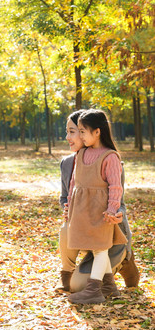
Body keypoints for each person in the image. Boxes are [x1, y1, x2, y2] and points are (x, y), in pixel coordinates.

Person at [56, 109, 139, 304]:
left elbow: (116, 192)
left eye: (78, 131)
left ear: (96, 132)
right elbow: (71, 189)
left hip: (103, 217)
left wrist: (112, 212)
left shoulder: (110, 158)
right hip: (83, 216)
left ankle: (100, 284)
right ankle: (108, 286)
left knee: (99, 253)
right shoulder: (75, 158)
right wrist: (70, 208)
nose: (71, 137)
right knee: (85, 244)